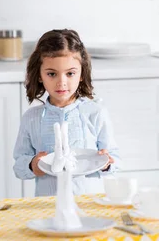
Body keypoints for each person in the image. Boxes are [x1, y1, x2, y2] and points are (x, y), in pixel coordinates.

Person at [12, 29, 119, 196]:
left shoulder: (95, 112)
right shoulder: (31, 118)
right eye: (52, 74)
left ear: (81, 73)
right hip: (48, 205)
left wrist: (107, 162)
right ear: (40, 75)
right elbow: (19, 165)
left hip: (89, 203)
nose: (61, 82)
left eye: (70, 73)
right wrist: (32, 164)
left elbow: (115, 158)